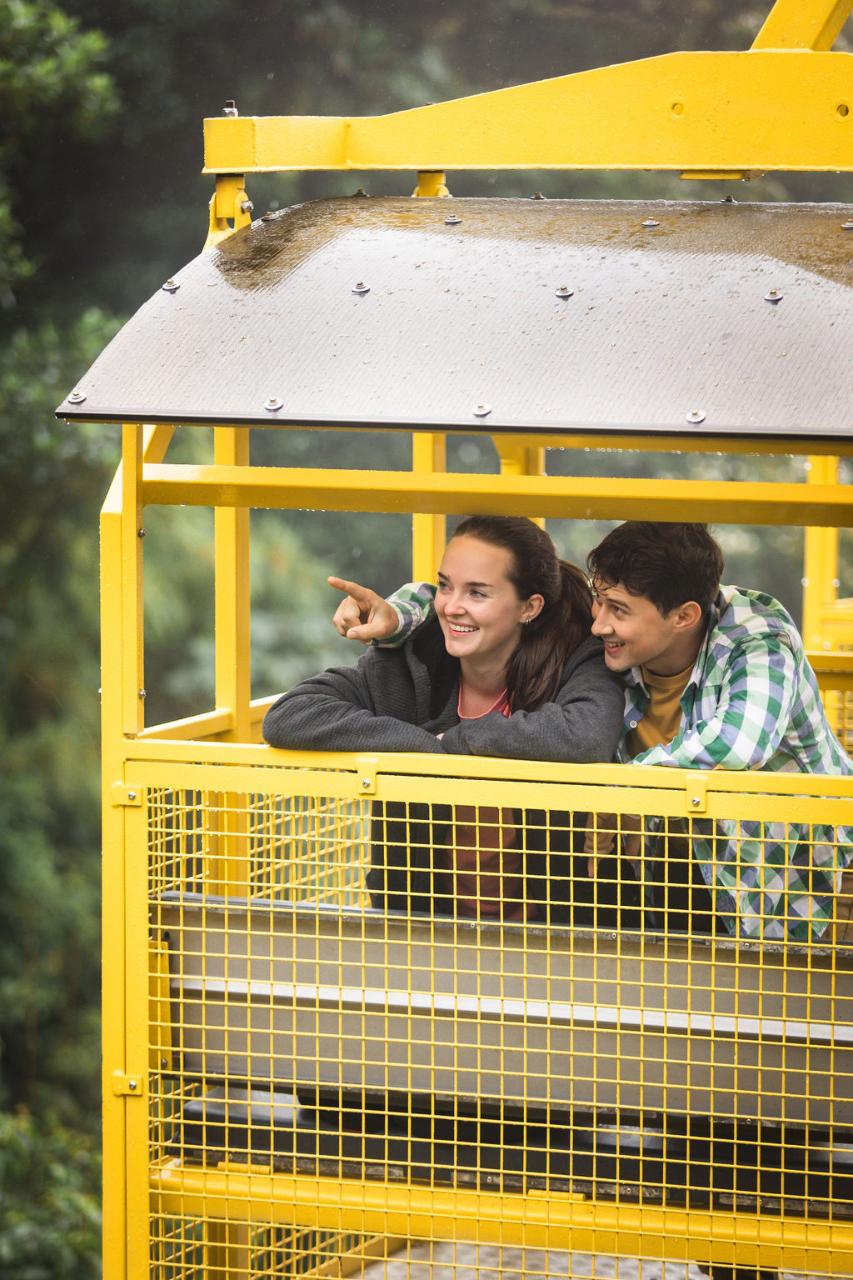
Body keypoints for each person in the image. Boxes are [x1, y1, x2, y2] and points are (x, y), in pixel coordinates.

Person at [331, 521, 852, 943]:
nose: (598, 622)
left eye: (618, 610)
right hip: (689, 870)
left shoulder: (755, 637)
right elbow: (482, 593)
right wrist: (400, 613)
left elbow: (738, 745)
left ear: (684, 616)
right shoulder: (619, 643)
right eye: (600, 600)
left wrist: (617, 791)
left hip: (811, 879)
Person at [263, 515, 626, 923]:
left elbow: (587, 734)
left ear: (529, 607)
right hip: (421, 931)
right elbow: (290, 715)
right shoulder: (408, 663)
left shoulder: (577, 662)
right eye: (446, 585)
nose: (452, 606)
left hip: (553, 934)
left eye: (478, 593)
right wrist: (424, 747)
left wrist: (457, 742)